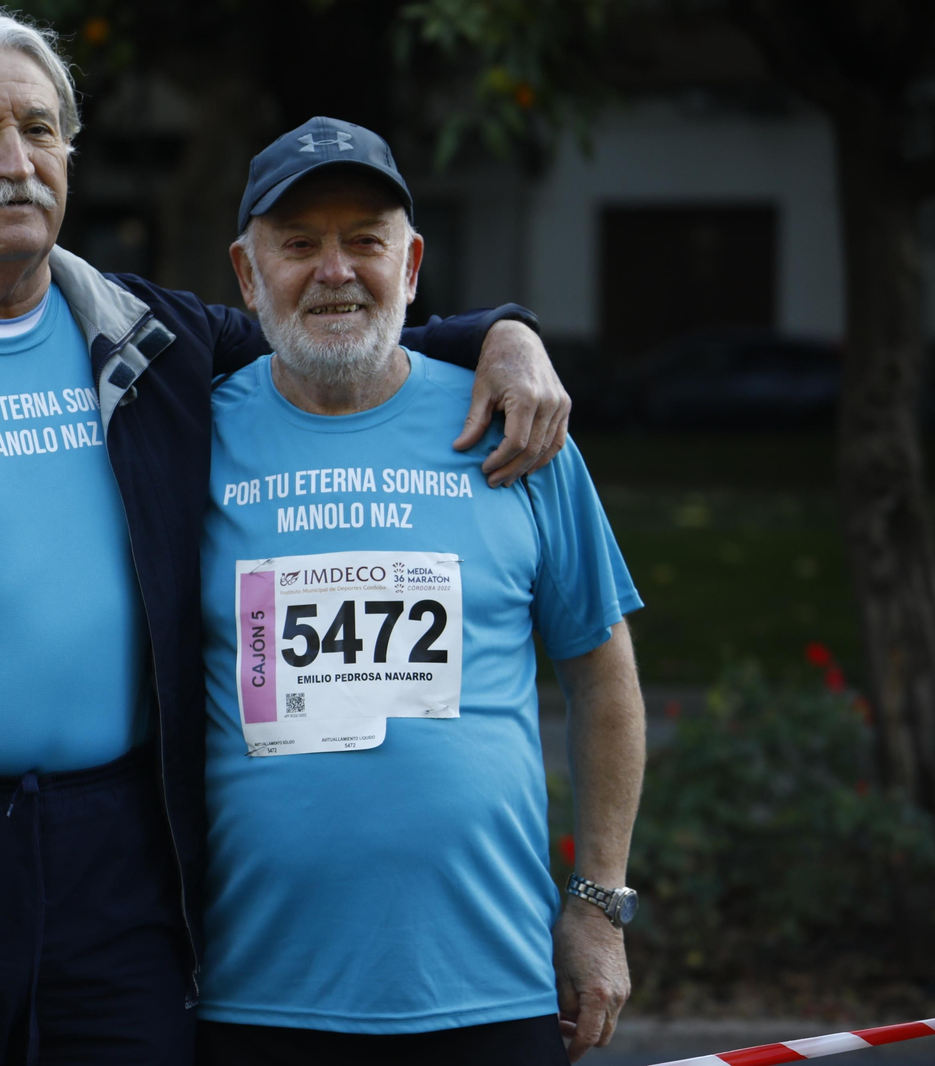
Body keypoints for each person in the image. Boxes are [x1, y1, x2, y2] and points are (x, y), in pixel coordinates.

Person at [0, 12, 571, 1066]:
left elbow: (331, 330)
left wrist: (504, 332)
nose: (16, 161)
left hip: (118, 859)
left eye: (41, 128)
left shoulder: (146, 344)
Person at [195, 117, 646, 1066]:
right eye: (300, 245)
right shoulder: (184, 444)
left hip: (490, 987)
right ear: (246, 273)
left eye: (366, 241)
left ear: (412, 265)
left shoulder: (516, 430)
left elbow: (604, 680)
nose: (335, 271)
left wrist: (599, 904)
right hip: (250, 996)